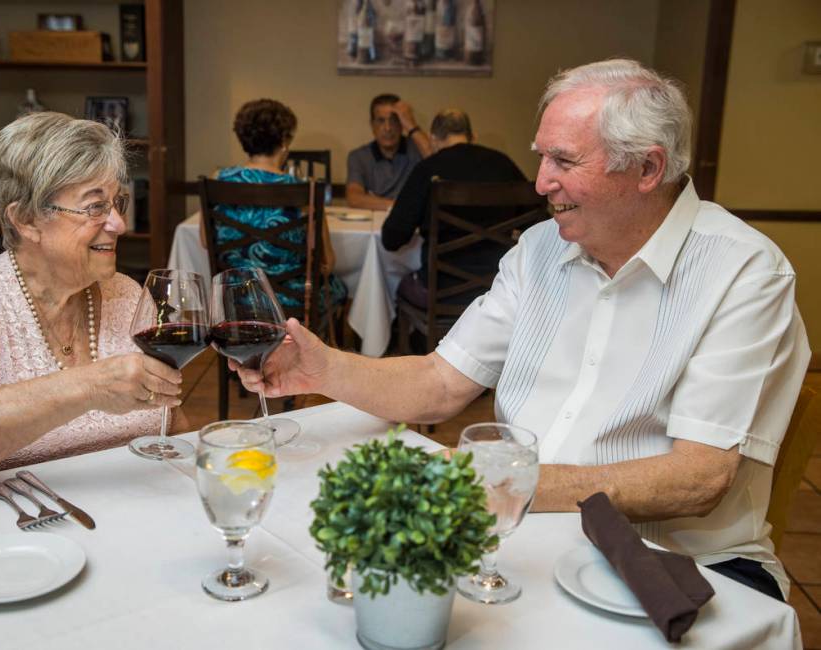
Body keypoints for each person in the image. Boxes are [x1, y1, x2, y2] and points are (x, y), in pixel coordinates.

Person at [230, 60, 811, 601]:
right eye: (542, 158)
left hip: (679, 568)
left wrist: (510, 485)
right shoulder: (538, 251)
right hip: (527, 540)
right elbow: (439, 380)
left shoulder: (742, 272)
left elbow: (698, 477)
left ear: (648, 168)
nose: (539, 183)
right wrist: (321, 367)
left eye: (563, 161)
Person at [0, 112, 185, 485]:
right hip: (16, 531)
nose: (120, 224)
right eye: (95, 206)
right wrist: (89, 387)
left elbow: (173, 427)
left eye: (118, 202)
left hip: (123, 523)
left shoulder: (127, 294)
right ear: (27, 220)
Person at [203, 98, 347, 309]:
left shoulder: (218, 179)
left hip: (234, 296)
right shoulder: (304, 190)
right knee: (339, 288)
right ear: (284, 141)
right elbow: (326, 260)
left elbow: (206, 242)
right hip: (292, 299)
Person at [381, 108, 528, 308]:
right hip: (498, 288)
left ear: (433, 139)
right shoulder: (503, 163)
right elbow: (537, 223)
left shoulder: (428, 169)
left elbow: (392, 238)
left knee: (401, 285)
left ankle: (420, 340)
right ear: (472, 137)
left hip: (440, 290)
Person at [345, 94, 432, 210]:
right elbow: (354, 198)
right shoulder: (358, 156)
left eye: (394, 121)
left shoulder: (417, 149)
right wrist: (399, 206)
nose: (388, 128)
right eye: (381, 121)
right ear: (372, 125)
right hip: (378, 220)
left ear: (402, 124)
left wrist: (412, 125)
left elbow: (439, 163)